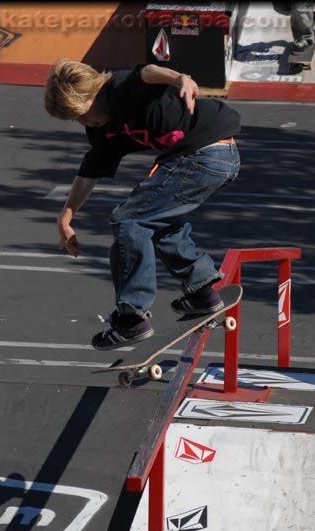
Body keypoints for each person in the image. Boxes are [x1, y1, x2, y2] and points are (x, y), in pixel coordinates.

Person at [44, 60, 241, 350]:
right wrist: (66, 217)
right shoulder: (104, 132)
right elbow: (89, 172)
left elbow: (147, 73)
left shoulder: (120, 89)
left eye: (82, 114)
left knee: (129, 220)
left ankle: (131, 318)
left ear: (94, 96)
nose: (83, 123)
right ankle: (201, 292)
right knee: (155, 222)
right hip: (211, 160)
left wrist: (180, 77)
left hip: (205, 153)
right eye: (75, 120)